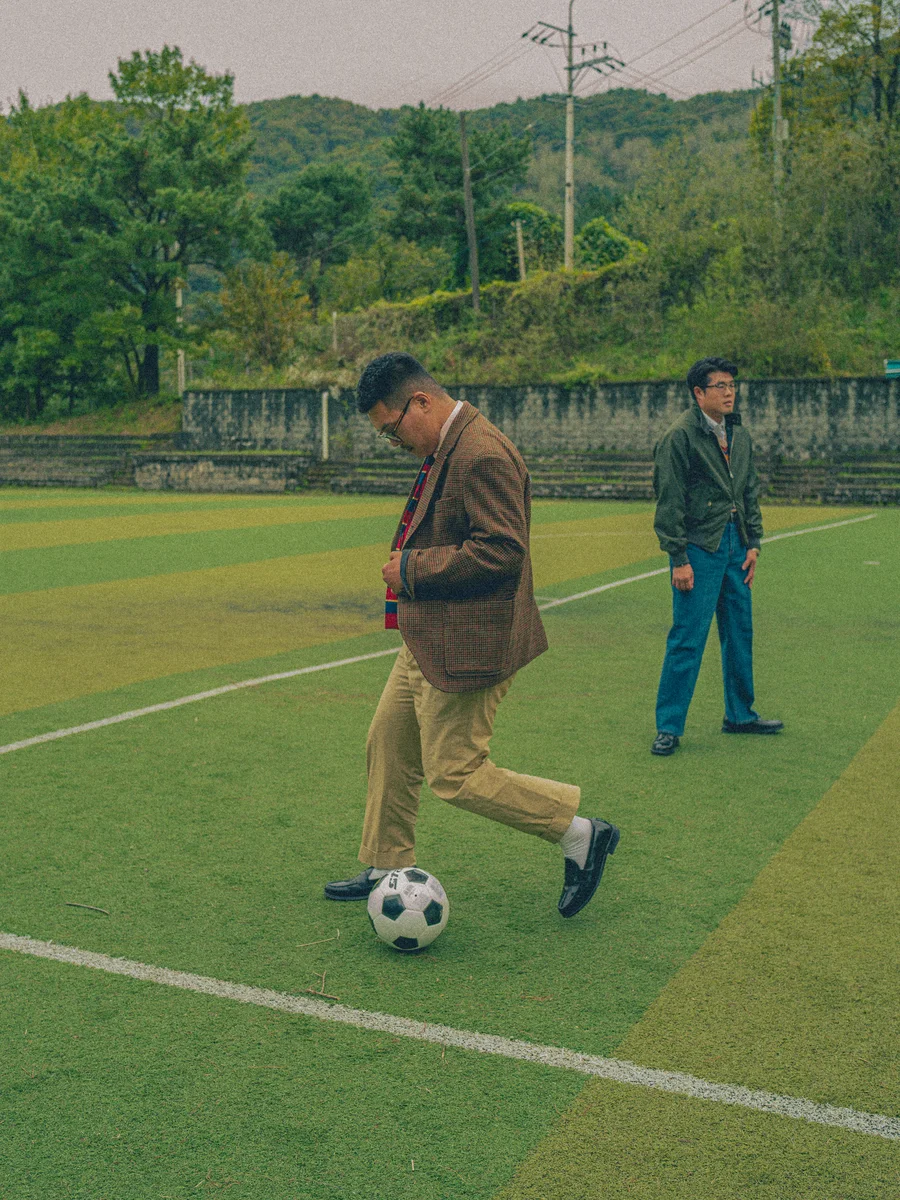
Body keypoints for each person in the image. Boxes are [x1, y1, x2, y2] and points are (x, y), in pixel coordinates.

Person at [324, 352, 619, 917]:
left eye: (392, 431)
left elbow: (503, 552)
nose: (394, 443)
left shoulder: (482, 453)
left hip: (468, 643)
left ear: (422, 402)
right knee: (387, 741)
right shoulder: (447, 443)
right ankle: (388, 864)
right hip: (429, 634)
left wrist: (410, 569)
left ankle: (579, 832)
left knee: (455, 773)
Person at [650, 356, 783, 756]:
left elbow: (749, 492)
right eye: (720, 386)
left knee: (739, 632)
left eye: (732, 385)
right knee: (688, 638)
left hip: (735, 545)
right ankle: (669, 726)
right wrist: (678, 558)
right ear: (698, 393)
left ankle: (740, 714)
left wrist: (754, 542)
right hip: (699, 547)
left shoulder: (738, 434)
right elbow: (669, 502)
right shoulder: (680, 437)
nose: (729, 392)